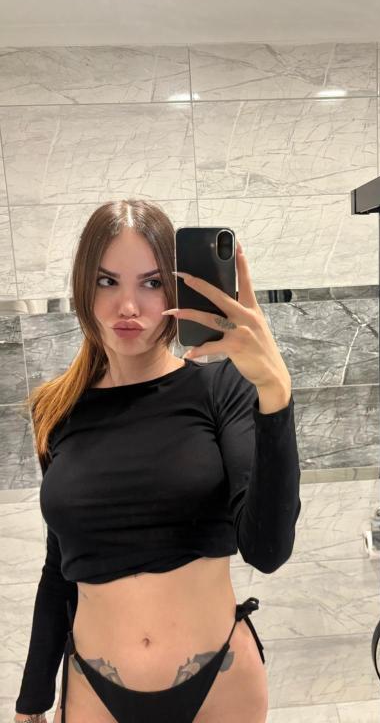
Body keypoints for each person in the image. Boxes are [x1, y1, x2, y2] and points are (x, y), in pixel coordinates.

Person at [14, 199, 301, 723]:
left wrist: (275, 394)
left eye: (150, 283)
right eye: (107, 282)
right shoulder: (56, 410)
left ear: (175, 289)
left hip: (220, 684)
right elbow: (60, 565)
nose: (128, 306)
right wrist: (32, 700)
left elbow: (268, 550)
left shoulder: (223, 387)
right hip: (94, 688)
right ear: (83, 288)